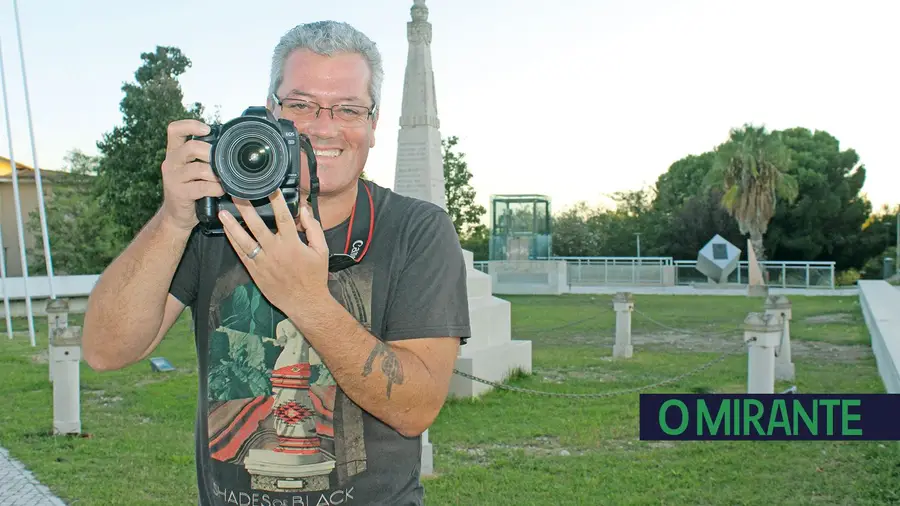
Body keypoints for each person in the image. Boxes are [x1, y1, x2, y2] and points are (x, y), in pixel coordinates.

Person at [82, 20, 470, 506]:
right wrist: (173, 218)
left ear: (373, 125)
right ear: (270, 114)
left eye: (348, 109)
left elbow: (416, 408)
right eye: (300, 105)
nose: (324, 126)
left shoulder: (417, 230)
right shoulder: (216, 223)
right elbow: (104, 351)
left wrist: (306, 300)